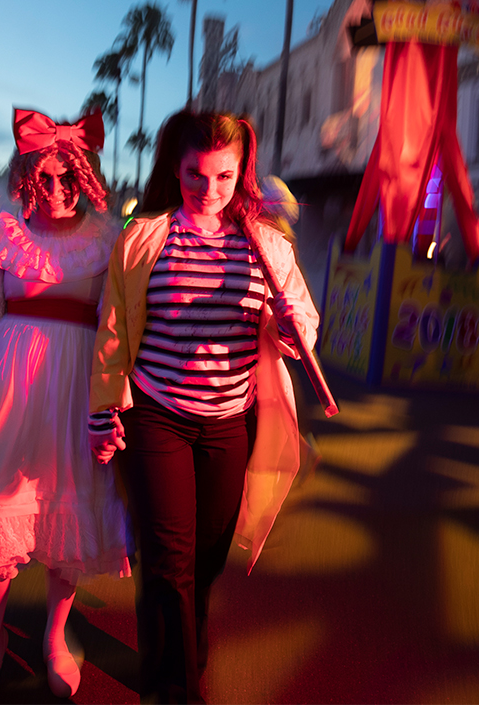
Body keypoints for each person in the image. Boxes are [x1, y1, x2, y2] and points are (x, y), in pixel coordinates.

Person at [89, 110, 320, 703]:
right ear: (176, 166)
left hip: (230, 421)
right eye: (196, 174)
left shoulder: (266, 244)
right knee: (169, 560)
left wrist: (293, 328)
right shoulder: (144, 236)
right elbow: (114, 328)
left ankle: (183, 651)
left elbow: (301, 320)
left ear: (241, 172)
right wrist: (102, 407)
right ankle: (175, 689)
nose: (209, 189)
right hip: (156, 414)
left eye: (223, 175)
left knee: (207, 558)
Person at [0, 107, 132, 705]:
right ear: (25, 177)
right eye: (47, 177)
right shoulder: (1, 236)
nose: (60, 190)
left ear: (86, 177)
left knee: (66, 517)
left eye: (71, 178)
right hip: (5, 393)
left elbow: (119, 329)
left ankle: (56, 637)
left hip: (76, 396)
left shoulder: (108, 240)